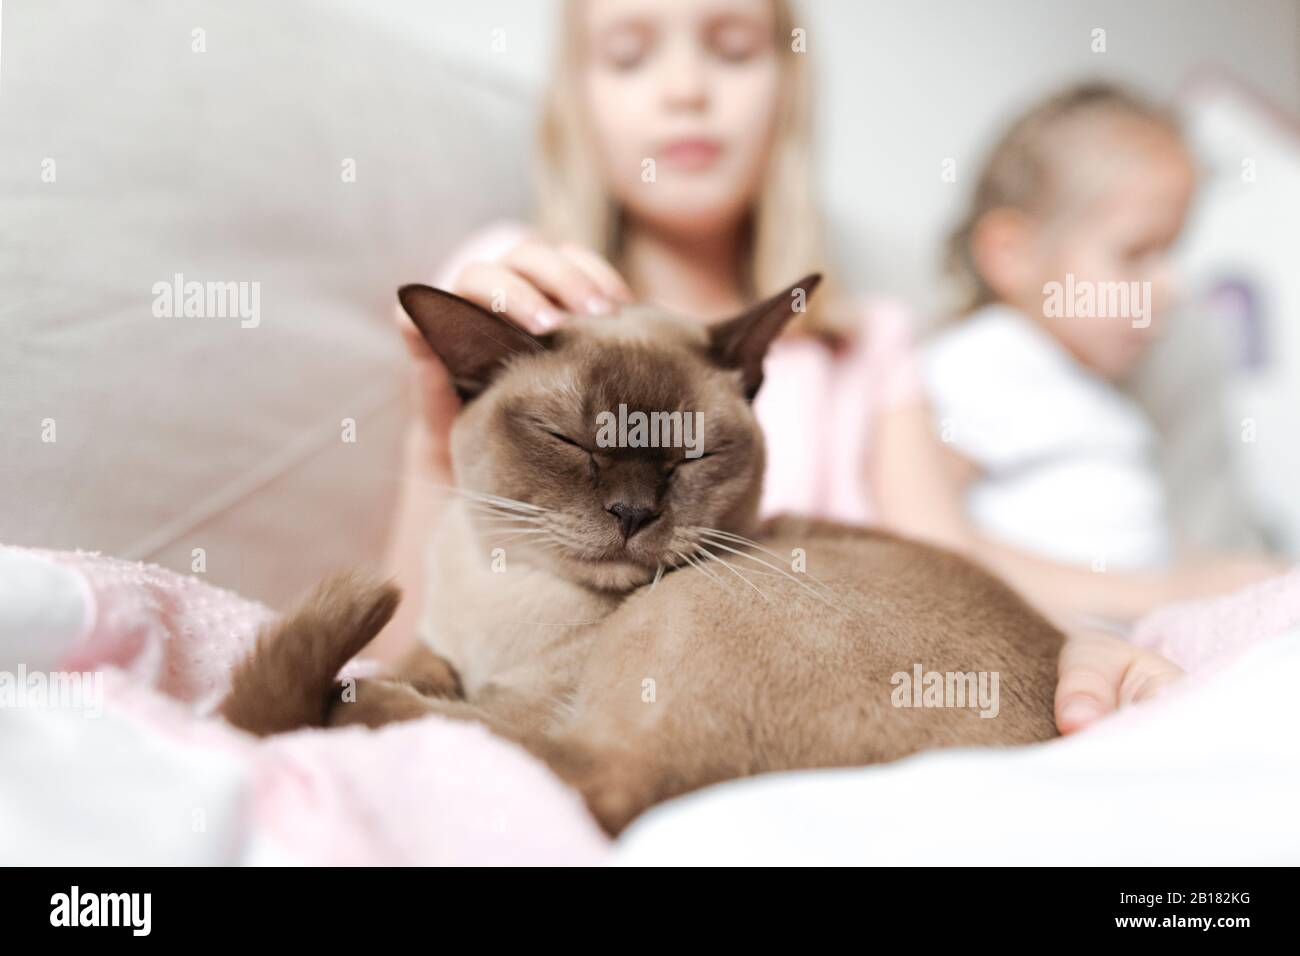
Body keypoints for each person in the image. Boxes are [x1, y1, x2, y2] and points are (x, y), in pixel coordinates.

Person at [373, 0, 1268, 732]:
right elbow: (414, 642)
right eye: (630, 53)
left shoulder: (868, 341)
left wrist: (1073, 641)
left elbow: (945, 556)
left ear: (789, 87)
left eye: (731, 48)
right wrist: (434, 430)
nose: (686, 89)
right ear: (574, 101)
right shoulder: (518, 293)